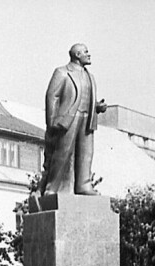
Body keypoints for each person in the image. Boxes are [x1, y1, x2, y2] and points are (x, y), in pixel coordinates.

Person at [38, 43, 107, 197]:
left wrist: (97, 107)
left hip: (87, 119)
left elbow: (86, 98)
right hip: (68, 119)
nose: (89, 55)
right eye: (86, 52)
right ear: (77, 54)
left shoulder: (90, 76)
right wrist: (52, 122)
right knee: (62, 153)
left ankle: (84, 185)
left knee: (86, 154)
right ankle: (52, 187)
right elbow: (52, 96)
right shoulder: (62, 72)